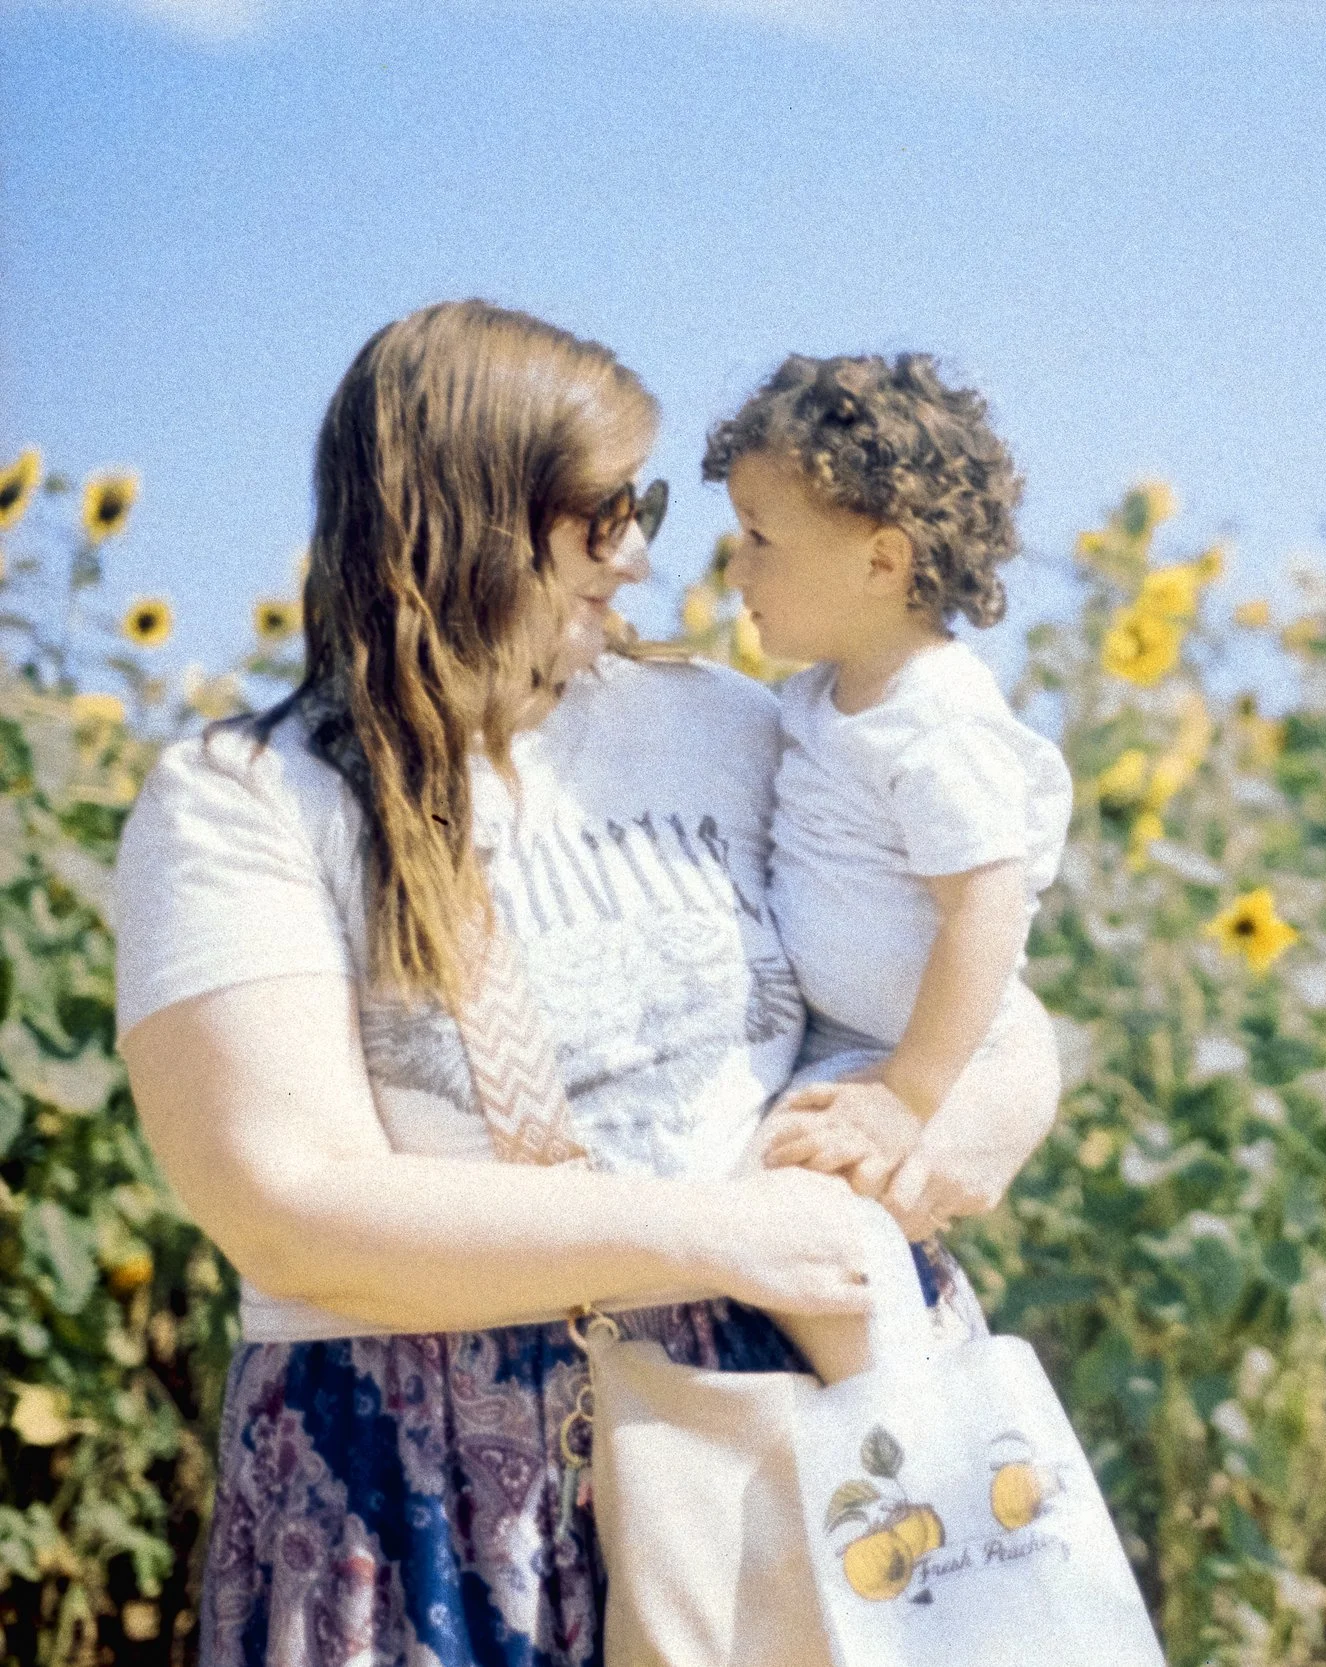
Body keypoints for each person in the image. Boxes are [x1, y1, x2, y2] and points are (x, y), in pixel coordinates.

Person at [113, 301, 1058, 1667]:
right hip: (430, 1501)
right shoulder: (246, 801)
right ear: (477, 518)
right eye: (609, 510)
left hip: (800, 1454)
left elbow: (987, 1002)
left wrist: (944, 1134)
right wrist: (718, 1234)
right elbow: (288, 1205)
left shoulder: (740, 730)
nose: (646, 550)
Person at [700, 353, 1073, 1375]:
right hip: (857, 1043)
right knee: (786, 1223)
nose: (736, 569)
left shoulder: (937, 718)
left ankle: (916, 1427)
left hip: (925, 1054)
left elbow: (983, 914)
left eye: (760, 539)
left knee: (794, 1221)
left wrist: (908, 1094)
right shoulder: (824, 696)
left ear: (881, 560)